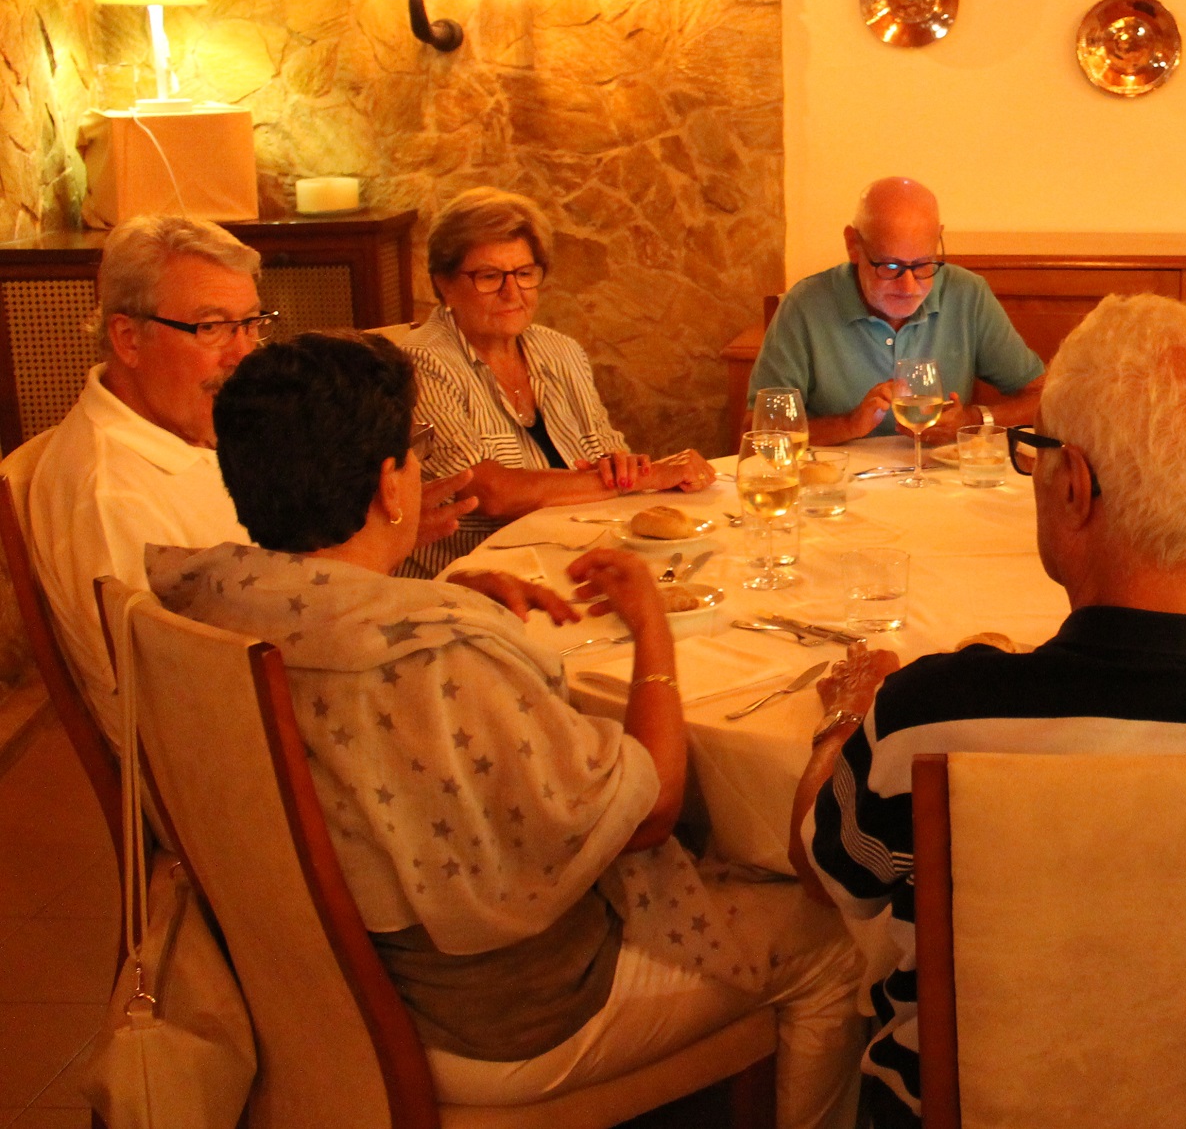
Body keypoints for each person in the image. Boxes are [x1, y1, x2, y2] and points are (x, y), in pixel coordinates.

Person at [150, 333, 864, 1128]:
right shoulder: (434, 660)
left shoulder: (206, 606)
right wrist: (651, 628)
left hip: (301, 992)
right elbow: (650, 809)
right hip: (500, 1022)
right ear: (390, 485)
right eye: (413, 456)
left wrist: (438, 596)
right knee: (830, 937)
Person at [789, 294, 1186, 1128]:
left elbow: (824, 871)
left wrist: (843, 719)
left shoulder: (930, 717)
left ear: (1074, 485)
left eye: (1037, 452)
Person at [22, 215, 474, 747]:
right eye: (211, 328)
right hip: (265, 763)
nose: (241, 356)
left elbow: (264, 590)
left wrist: (377, 544)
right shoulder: (113, 498)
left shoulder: (185, 431)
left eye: (251, 324)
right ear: (128, 338)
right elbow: (192, 711)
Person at [403, 189, 713, 576]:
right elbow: (490, 492)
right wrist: (651, 476)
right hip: (469, 581)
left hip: (564, 560)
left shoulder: (559, 351)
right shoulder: (422, 362)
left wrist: (623, 468)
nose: (512, 293)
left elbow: (609, 462)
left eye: (524, 274)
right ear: (444, 284)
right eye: (489, 277)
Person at [747, 177, 1044, 446]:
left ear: (938, 239)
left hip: (938, 479)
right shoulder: (805, 305)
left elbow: (1043, 396)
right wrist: (848, 425)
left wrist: (973, 420)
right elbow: (755, 430)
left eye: (924, 265)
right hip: (839, 481)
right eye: (890, 266)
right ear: (853, 245)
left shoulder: (967, 294)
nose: (909, 286)